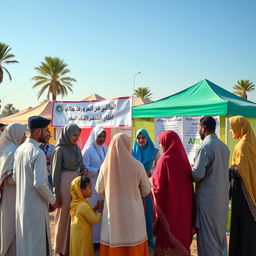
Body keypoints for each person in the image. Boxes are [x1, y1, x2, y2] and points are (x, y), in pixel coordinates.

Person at [95, 133, 151, 256]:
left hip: (112, 212)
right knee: (133, 239)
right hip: (133, 211)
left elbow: (99, 189)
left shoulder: (105, 166)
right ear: (128, 145)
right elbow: (146, 190)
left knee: (113, 239)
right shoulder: (137, 165)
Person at [13, 116, 57, 256]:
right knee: (37, 249)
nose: (47, 133)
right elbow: (39, 183)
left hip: (21, 208)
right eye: (46, 130)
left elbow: (15, 178)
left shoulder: (19, 150)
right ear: (38, 132)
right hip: (35, 209)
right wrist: (53, 200)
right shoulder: (38, 153)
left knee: (25, 247)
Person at [152, 130, 195, 256]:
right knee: (181, 232)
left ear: (168, 142)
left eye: (161, 143)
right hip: (184, 208)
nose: (160, 146)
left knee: (167, 233)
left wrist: (149, 183)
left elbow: (157, 187)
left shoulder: (164, 160)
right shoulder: (184, 160)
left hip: (168, 208)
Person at [192, 116, 230, 256]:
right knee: (219, 236)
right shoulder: (224, 147)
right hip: (222, 199)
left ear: (203, 128)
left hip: (207, 201)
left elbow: (197, 175)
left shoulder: (205, 147)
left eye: (199, 128)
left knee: (207, 238)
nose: (199, 131)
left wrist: (188, 170)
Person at [52, 123, 87, 256]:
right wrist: (57, 193)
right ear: (67, 134)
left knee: (74, 213)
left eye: (78, 135)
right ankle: (60, 248)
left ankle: (71, 246)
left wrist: (84, 169)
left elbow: (81, 163)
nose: (76, 137)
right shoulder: (59, 150)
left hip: (76, 183)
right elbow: (55, 173)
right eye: (74, 135)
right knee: (63, 215)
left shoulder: (77, 148)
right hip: (64, 184)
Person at [228, 116, 256, 256]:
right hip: (251, 187)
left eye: (232, 127)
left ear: (240, 127)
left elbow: (241, 171)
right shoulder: (251, 141)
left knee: (242, 224)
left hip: (243, 190)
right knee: (249, 225)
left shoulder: (243, 145)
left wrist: (228, 170)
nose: (230, 130)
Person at [132, 128, 161, 251]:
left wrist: (150, 172)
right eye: (138, 138)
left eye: (143, 137)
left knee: (148, 214)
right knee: (136, 214)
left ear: (147, 138)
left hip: (148, 187)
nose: (140, 140)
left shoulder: (155, 152)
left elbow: (159, 169)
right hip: (134, 187)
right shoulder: (132, 152)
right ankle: (137, 242)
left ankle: (149, 241)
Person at [0, 123, 26, 256]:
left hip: (9, 195)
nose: (25, 137)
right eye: (23, 134)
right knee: (10, 226)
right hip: (11, 194)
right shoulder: (12, 151)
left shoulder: (8, 149)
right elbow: (9, 178)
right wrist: (26, 175)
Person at [82, 126, 107, 245]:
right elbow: (83, 168)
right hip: (92, 185)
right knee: (93, 210)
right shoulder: (88, 150)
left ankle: (101, 239)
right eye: (99, 136)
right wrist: (98, 171)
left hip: (104, 185)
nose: (102, 139)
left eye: (104, 136)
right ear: (94, 136)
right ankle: (92, 240)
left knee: (102, 210)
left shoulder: (106, 149)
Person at [70, 176, 103, 256]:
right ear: (82, 191)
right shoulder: (83, 205)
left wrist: (95, 208)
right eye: (90, 187)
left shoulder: (77, 203)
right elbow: (94, 220)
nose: (92, 189)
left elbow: (87, 214)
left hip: (77, 237)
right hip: (83, 238)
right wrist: (100, 211)